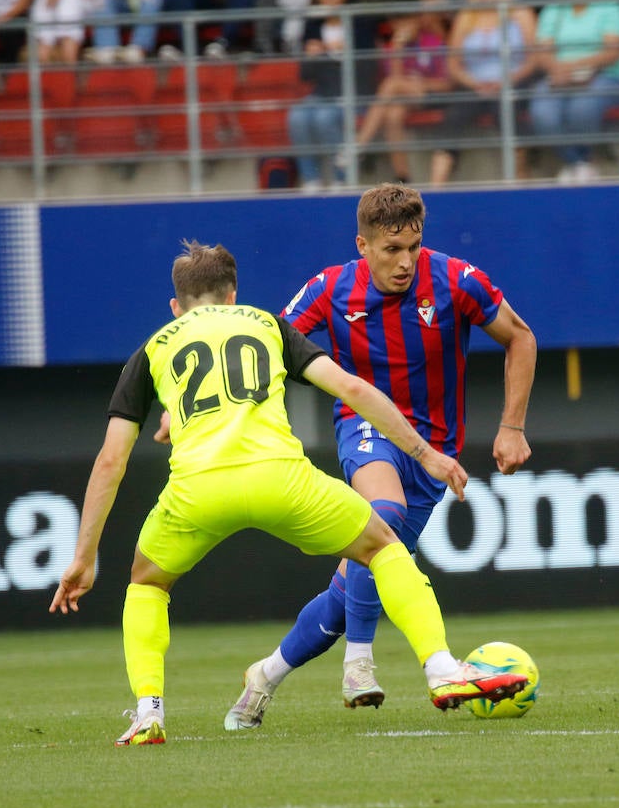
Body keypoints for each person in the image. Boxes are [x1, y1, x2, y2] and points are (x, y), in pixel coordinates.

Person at [50, 240, 529, 746]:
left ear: (176, 306)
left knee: (146, 583)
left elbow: (111, 460)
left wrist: (84, 558)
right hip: (281, 479)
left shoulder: (151, 349)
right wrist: (425, 453)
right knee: (384, 546)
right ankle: (439, 668)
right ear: (233, 296)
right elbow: (353, 390)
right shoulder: (264, 324)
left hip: (197, 491)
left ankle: (149, 711)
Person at [223, 182, 536, 729]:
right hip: (365, 431)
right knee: (382, 516)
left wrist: (512, 426)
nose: (405, 261)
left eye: (413, 246)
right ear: (362, 245)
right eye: (391, 249)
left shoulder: (457, 280)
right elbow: (263, 346)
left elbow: (521, 337)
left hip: (435, 451)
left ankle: (264, 677)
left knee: (351, 588)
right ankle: (360, 664)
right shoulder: (330, 289)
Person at [428, 0, 536, 185]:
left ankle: (520, 181)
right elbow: (454, 63)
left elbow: (534, 58)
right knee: (453, 117)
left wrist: (505, 82)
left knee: (506, 111)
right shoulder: (466, 16)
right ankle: (435, 187)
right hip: (474, 84)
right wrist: (474, 83)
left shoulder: (521, 12)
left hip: (513, 81)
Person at [528, 0, 619, 183]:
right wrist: (558, 69)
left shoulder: (609, 7)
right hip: (560, 75)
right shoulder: (554, 10)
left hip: (604, 75)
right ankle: (578, 163)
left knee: (582, 108)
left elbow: (613, 51)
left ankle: (579, 164)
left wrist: (576, 67)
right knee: (541, 110)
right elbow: (542, 51)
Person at [286, 0, 377, 191]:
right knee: (297, 116)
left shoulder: (359, 23)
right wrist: (312, 57)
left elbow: (369, 68)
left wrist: (346, 51)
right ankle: (311, 179)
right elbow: (305, 75)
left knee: (325, 117)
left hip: (356, 94)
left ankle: (342, 177)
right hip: (324, 92)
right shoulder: (313, 26)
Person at [354, 0, 451, 183]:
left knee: (392, 85)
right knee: (393, 114)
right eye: (397, 21)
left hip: (435, 96)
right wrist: (398, 46)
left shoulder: (434, 41)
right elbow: (395, 81)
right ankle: (403, 178)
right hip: (407, 97)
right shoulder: (394, 47)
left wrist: (422, 83)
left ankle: (358, 146)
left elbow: (448, 83)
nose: (402, 25)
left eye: (406, 19)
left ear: (417, 18)